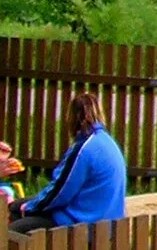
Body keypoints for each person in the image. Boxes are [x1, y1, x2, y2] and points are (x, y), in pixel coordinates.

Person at [8, 92, 126, 235]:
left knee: (13, 230)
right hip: (105, 224)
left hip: (82, 227)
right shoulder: (106, 142)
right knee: (16, 206)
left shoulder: (84, 149)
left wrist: (29, 208)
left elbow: (60, 191)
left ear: (73, 117)